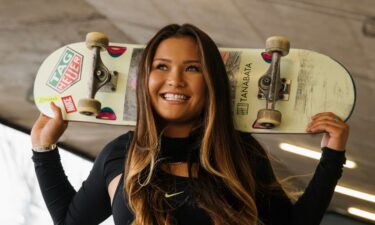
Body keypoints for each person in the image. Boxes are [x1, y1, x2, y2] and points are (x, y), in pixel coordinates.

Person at [31, 24, 349, 225]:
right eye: (161, 66)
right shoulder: (120, 154)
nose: (175, 80)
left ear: (211, 82)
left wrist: (331, 159)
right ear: (146, 80)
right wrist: (43, 151)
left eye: (193, 68)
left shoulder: (239, 154)